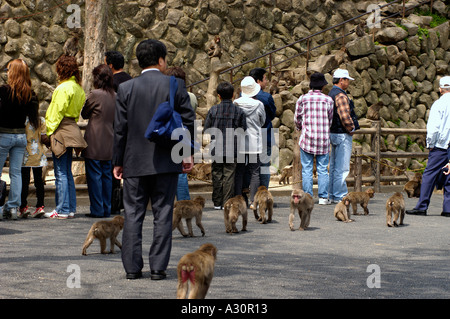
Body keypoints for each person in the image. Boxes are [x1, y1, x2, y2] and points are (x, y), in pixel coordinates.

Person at [113, 39, 195, 280]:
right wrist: (185, 154)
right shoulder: (175, 85)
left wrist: (118, 161)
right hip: (166, 161)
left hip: (134, 162)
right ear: (161, 60)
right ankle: (158, 268)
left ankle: (132, 268)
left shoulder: (126, 88)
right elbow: (187, 122)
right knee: (163, 213)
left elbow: (120, 129)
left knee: (132, 214)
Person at [43, 55, 87, 219]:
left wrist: (49, 132)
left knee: (60, 171)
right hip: (72, 128)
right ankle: (69, 208)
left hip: (60, 129)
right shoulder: (78, 88)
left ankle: (62, 209)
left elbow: (56, 112)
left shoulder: (63, 88)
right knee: (67, 172)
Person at [0, 59, 40, 220]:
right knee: (16, 173)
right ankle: (14, 207)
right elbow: (33, 119)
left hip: (3, 135)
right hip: (20, 137)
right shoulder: (30, 93)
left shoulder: (3, 91)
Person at [406, 76, 450, 217]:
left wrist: (431, 144)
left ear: (440, 88)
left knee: (429, 174)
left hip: (440, 145)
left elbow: (434, 127)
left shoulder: (438, 104)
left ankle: (422, 205)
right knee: (449, 176)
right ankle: (448, 208)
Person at [204, 81, 247, 209]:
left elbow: (207, 129)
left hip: (216, 147)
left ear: (219, 96)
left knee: (217, 174)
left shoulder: (213, 110)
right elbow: (243, 130)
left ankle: (217, 202)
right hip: (232, 148)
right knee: (229, 175)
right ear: (233, 95)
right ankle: (226, 202)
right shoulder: (239, 111)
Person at [81, 65, 116, 218]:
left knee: (94, 177)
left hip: (95, 139)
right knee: (107, 176)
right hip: (110, 139)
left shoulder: (94, 94)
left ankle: (97, 209)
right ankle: (107, 208)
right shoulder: (115, 95)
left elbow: (85, 113)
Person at [294, 72, 334, 204]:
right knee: (322, 169)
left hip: (307, 138)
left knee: (307, 169)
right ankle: (323, 197)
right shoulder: (328, 100)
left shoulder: (303, 99)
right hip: (322, 139)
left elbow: (297, 118)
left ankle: (308, 197)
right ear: (322, 86)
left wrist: (300, 127)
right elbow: (330, 119)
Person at [164, 66, 198, 201]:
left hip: (167, 133)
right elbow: (191, 118)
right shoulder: (191, 97)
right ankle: (184, 201)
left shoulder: (165, 93)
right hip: (183, 135)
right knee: (181, 173)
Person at [105, 51, 132, 215]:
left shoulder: (111, 83)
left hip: (115, 128)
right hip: (132, 128)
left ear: (110, 65)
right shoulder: (131, 80)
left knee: (115, 167)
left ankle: (114, 203)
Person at [328, 68, 360, 203]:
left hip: (332, 132)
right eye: (347, 80)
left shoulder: (330, 93)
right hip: (342, 133)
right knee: (342, 167)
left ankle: (331, 193)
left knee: (334, 166)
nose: (348, 83)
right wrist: (351, 128)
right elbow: (344, 115)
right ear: (342, 80)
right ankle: (340, 194)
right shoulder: (341, 95)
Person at [234, 76, 266, 207]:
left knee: (239, 171)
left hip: (239, 140)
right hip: (254, 141)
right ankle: (254, 200)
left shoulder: (235, 103)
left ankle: (239, 199)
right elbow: (262, 121)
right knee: (254, 171)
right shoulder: (259, 104)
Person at [249, 68, 276, 188]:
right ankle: (264, 193)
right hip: (265, 134)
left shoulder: (242, 96)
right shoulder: (266, 97)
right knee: (264, 166)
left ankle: (251, 193)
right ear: (259, 81)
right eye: (265, 79)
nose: (267, 82)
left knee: (250, 165)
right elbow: (272, 114)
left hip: (248, 135)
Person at [20, 113, 47, 218]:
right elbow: (44, 137)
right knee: (39, 181)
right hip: (38, 154)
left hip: (25, 154)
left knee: (24, 181)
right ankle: (40, 206)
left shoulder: (24, 120)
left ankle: (23, 207)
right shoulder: (41, 120)